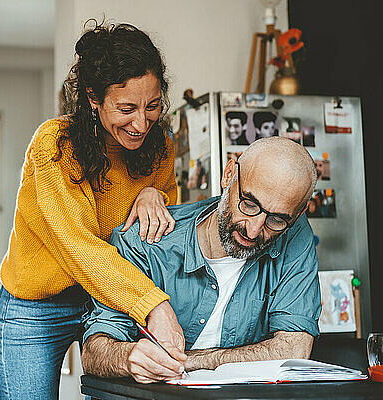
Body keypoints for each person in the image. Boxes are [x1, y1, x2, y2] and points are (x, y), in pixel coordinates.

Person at [0, 22, 186, 399]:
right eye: (126, 108)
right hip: (36, 307)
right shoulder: (55, 146)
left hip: (110, 301)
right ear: (94, 99)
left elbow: (163, 223)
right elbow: (79, 247)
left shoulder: (160, 144)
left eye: (153, 106)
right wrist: (153, 304)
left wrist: (154, 194)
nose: (141, 123)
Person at [80, 137, 321, 383]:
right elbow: (93, 353)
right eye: (249, 204)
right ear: (228, 175)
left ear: (297, 214)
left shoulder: (294, 233)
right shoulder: (145, 241)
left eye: (276, 220)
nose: (254, 230)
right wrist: (128, 357)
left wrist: (187, 361)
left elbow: (294, 350)